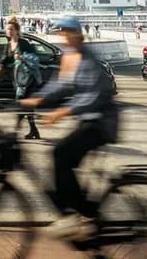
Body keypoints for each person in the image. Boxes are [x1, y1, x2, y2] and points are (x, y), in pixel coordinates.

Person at [20, 15, 119, 241]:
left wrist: (62, 112)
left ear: (77, 34)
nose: (63, 38)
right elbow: (61, 85)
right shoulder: (70, 55)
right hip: (89, 120)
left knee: (60, 154)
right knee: (63, 159)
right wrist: (36, 99)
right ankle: (78, 212)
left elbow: (93, 97)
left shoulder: (88, 59)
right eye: (61, 34)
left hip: (101, 122)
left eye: (66, 34)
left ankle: (81, 214)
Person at [0, 17, 41, 139]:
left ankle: (15, 132)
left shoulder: (24, 43)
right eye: (7, 29)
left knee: (21, 104)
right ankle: (34, 130)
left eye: (11, 29)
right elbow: (2, 61)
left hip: (28, 79)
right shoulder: (8, 45)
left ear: (17, 31)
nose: (8, 31)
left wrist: (22, 57)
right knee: (27, 106)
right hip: (18, 79)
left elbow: (34, 58)